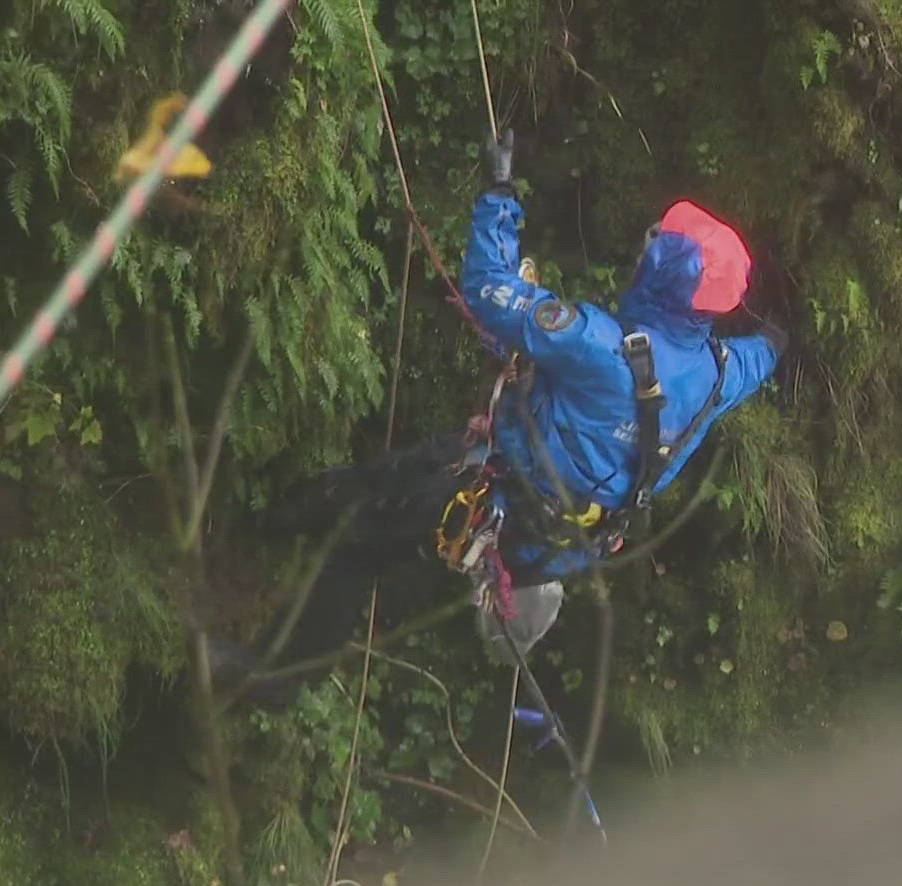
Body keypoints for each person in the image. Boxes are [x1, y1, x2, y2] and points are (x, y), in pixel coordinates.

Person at [212, 128, 786, 708]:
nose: (645, 245)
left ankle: (273, 681)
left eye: (655, 245)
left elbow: (490, 289)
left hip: (504, 510)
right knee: (402, 469)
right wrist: (782, 338)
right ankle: (278, 521)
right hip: (557, 534)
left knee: (356, 545)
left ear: (660, 272)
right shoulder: (721, 372)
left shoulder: (600, 345)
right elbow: (765, 355)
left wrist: (499, 190)